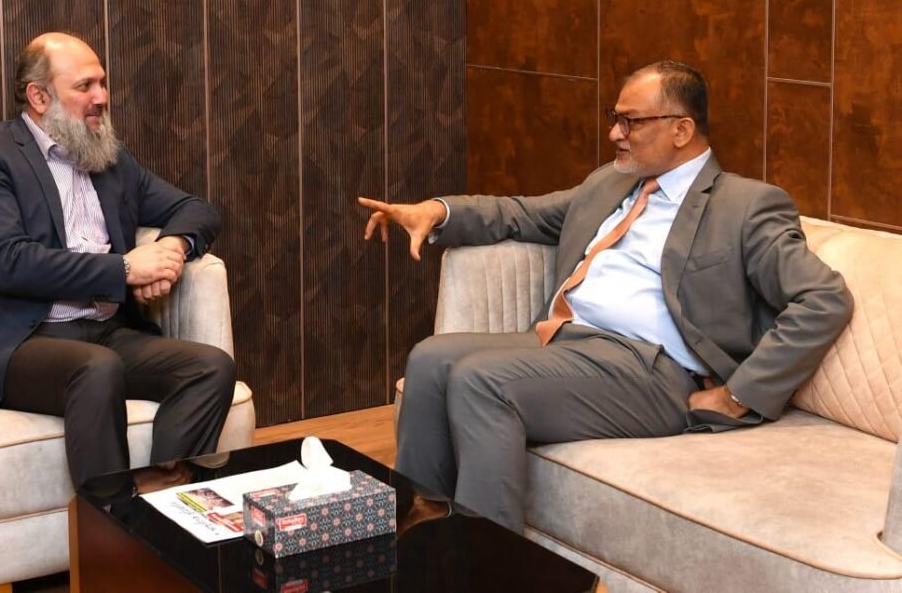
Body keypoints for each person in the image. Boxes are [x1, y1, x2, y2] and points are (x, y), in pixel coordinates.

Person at [359, 60, 853, 532]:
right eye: (615, 118)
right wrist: (437, 212)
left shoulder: (745, 206)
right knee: (429, 360)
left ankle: (490, 563)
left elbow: (823, 299)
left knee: (482, 382)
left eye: (631, 121)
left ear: (681, 130)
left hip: (650, 370)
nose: (615, 133)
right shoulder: (612, 182)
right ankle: (414, 531)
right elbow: (523, 215)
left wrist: (738, 394)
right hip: (563, 340)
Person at [0, 32, 236, 489]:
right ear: (39, 96)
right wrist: (127, 269)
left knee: (210, 367)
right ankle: (112, 520)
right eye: (84, 86)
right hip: (18, 341)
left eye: (102, 82)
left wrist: (171, 250)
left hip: (104, 331)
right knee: (96, 367)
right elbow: (11, 262)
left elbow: (196, 209)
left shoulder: (109, 158)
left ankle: (163, 498)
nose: (101, 97)